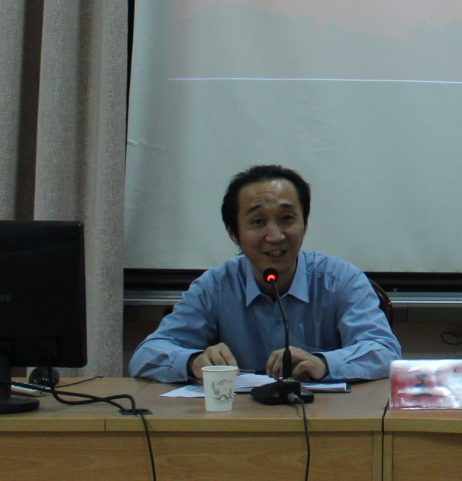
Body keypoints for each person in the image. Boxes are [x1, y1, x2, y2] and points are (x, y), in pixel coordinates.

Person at [129, 163, 401, 382]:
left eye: (287, 219)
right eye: (258, 222)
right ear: (233, 233)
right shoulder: (215, 286)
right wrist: (192, 361)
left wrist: (324, 363)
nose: (275, 235)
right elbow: (146, 356)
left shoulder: (340, 280)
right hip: (239, 423)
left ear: (305, 225)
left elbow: (385, 351)